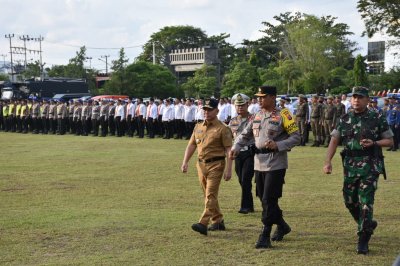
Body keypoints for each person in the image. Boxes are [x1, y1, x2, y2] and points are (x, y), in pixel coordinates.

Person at [323, 86, 393, 255]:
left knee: (365, 202)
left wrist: (375, 143)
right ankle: (367, 223)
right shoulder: (345, 118)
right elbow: (334, 140)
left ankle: (363, 237)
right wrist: (327, 161)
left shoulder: (377, 117)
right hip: (350, 166)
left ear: (368, 100)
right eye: (354, 97)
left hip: (370, 165)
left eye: (360, 97)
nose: (356, 100)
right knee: (349, 201)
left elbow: (390, 141)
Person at [230, 86, 300, 249]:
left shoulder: (284, 114)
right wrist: (236, 147)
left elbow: (296, 137)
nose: (259, 100)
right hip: (258, 163)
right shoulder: (257, 115)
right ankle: (282, 225)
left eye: (263, 97)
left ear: (273, 97)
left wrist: (278, 145)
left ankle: (265, 234)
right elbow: (245, 135)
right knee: (263, 198)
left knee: (269, 198)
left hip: (276, 163)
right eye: (259, 97)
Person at [181, 98, 233, 236]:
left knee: (210, 194)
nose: (207, 112)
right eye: (205, 109)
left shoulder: (223, 128)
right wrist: (185, 161)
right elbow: (192, 144)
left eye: (210, 109)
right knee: (208, 195)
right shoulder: (198, 126)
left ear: (217, 110)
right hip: (201, 164)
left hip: (216, 164)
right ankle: (217, 220)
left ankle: (203, 223)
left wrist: (229, 169)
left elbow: (229, 150)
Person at [228, 93, 255, 214]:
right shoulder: (233, 121)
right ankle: (250, 205)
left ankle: (245, 206)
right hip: (238, 154)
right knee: (241, 180)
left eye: (242, 105)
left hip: (250, 152)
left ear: (248, 104)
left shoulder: (254, 119)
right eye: (237, 106)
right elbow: (230, 137)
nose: (240, 108)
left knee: (245, 179)